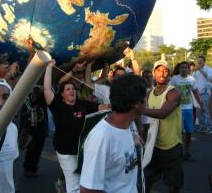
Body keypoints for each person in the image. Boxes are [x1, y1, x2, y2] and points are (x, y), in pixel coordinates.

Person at [43, 59, 109, 193]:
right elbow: (46, 88)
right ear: (62, 95)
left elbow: (103, 107)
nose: (71, 91)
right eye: (68, 89)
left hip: (82, 150)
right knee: (74, 185)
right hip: (65, 151)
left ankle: (60, 183)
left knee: (84, 180)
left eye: (73, 88)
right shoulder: (57, 106)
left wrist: (117, 105)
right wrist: (49, 67)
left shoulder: (82, 104)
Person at [80, 74, 147, 193]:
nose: (146, 101)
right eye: (145, 97)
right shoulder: (101, 138)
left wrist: (132, 140)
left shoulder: (125, 128)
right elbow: (88, 190)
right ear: (136, 103)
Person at [143, 60, 183, 193]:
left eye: (165, 70)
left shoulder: (174, 92)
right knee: (145, 179)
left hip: (171, 146)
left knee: (173, 185)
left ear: (170, 74)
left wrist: (138, 109)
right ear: (154, 73)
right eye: (159, 70)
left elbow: (162, 113)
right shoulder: (149, 93)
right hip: (153, 145)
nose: (162, 73)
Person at [170, 61, 204, 161]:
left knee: (189, 132)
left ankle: (187, 152)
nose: (184, 69)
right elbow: (170, 92)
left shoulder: (191, 79)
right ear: (179, 69)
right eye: (182, 68)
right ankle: (178, 152)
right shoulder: (174, 79)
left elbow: (196, 92)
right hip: (177, 110)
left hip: (189, 109)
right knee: (179, 132)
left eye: (185, 67)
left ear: (188, 69)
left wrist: (201, 104)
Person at [193, 55, 212, 133]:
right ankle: (202, 127)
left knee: (206, 111)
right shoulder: (197, 71)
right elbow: (195, 81)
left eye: (200, 61)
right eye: (198, 61)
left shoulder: (208, 69)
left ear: (204, 61)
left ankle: (209, 128)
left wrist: (200, 70)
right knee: (199, 112)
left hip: (205, 93)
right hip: (198, 94)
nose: (199, 62)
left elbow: (210, 78)